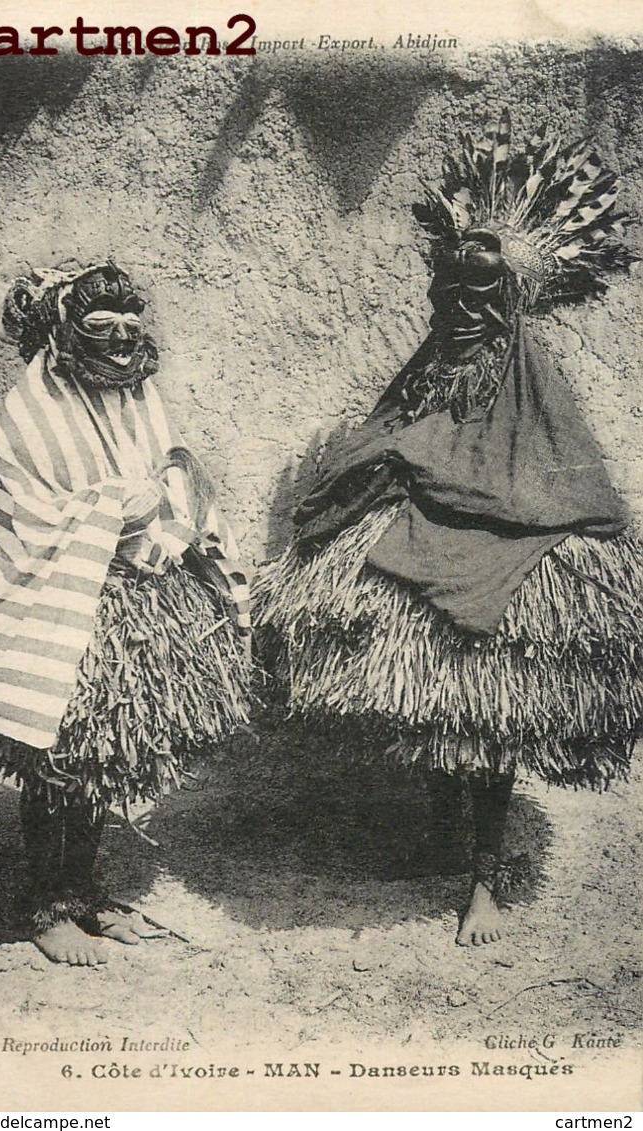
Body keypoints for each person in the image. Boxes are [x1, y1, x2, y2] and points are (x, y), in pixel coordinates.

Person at [254, 110, 642, 946]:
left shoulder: (532, 375)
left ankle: (484, 878)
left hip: (505, 550)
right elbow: (383, 431)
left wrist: (428, 462)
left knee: (488, 713)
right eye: (449, 292)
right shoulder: (432, 361)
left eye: (481, 295)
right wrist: (379, 465)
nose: (462, 308)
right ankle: (437, 832)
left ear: (511, 299)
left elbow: (561, 483)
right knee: (433, 702)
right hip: (419, 537)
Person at [0, 262, 251, 965]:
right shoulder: (29, 410)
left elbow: (165, 468)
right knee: (55, 749)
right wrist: (120, 507)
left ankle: (83, 891)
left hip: (133, 596)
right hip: (54, 597)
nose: (120, 342)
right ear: (62, 334)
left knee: (101, 759)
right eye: (101, 329)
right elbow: (26, 511)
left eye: (130, 329)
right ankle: (46, 904)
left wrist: (166, 508)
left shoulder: (138, 397)